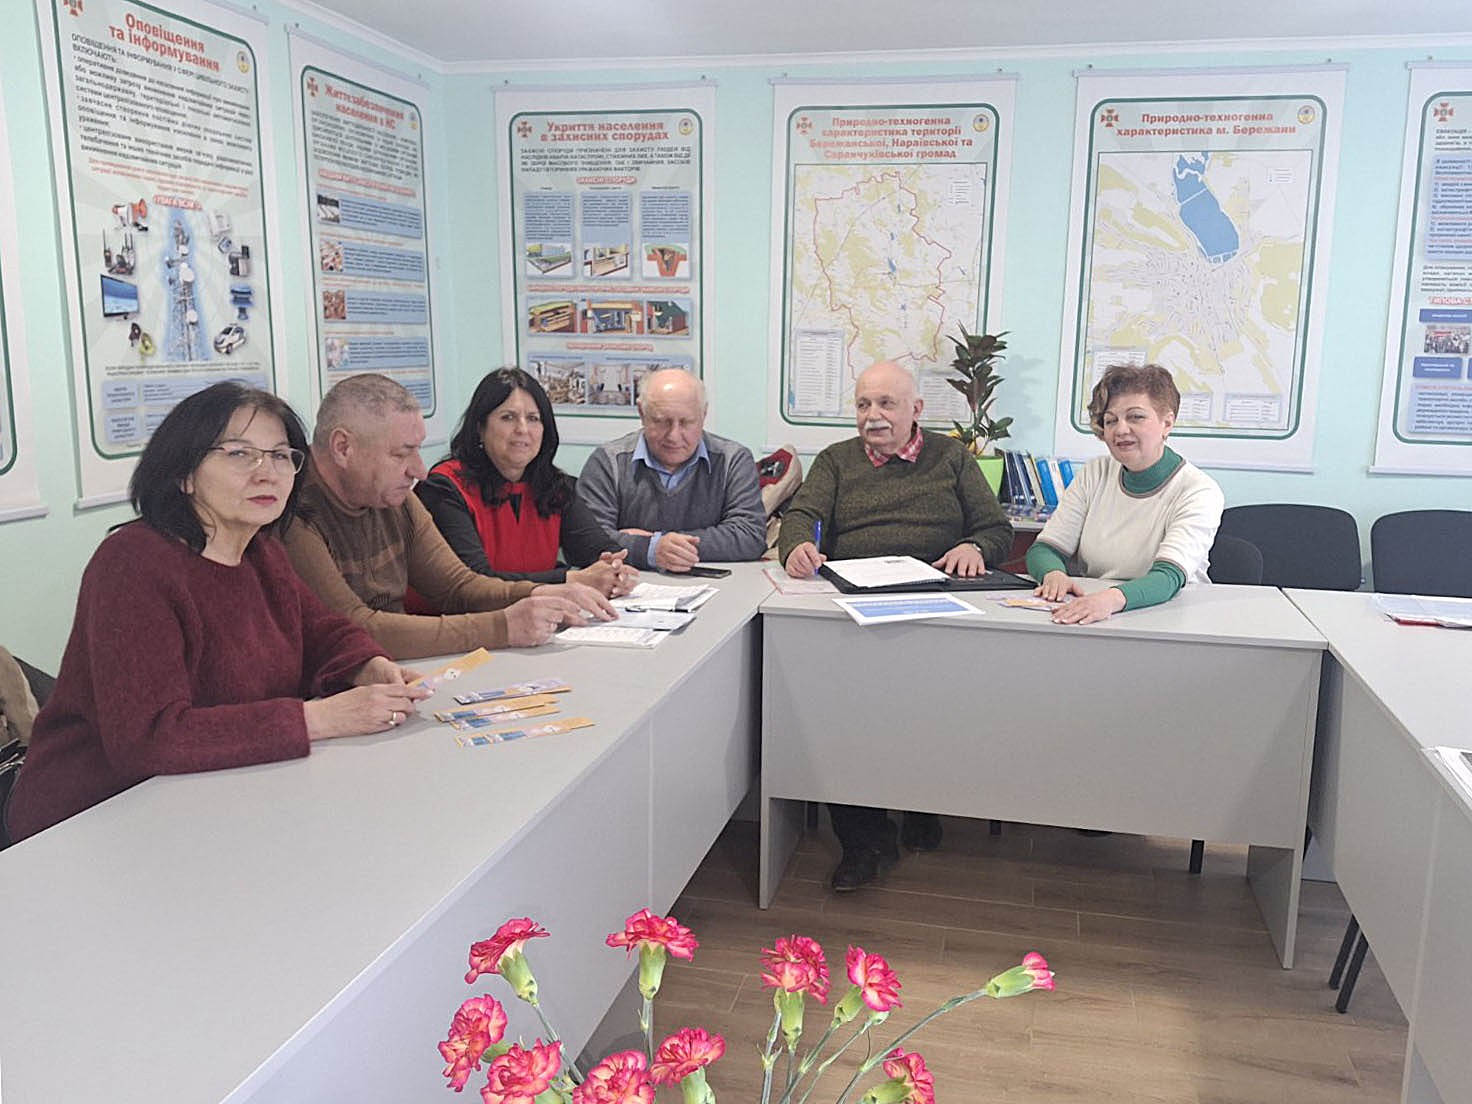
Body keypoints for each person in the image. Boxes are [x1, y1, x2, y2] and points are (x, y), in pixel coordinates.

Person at [3, 383, 429, 843]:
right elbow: (149, 737)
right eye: (240, 454)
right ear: (184, 474)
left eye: (280, 455)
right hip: (95, 818)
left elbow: (321, 633)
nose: (267, 474)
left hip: (214, 795)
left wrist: (367, 665)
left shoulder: (261, 552)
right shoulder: (132, 564)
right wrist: (320, 718)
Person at [776, 360, 1014, 892]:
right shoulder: (836, 460)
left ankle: (921, 804)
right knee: (843, 718)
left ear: (916, 410)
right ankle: (865, 841)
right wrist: (797, 545)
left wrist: (974, 546)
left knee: (931, 711)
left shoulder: (952, 457)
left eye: (886, 404)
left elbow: (996, 528)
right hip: (857, 609)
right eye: (864, 404)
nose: (873, 416)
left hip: (936, 610)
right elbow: (800, 516)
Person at [282, 374, 614, 660]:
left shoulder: (395, 499)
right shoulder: (294, 513)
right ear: (343, 448)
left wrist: (539, 593)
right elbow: (356, 628)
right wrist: (503, 626)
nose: (419, 470)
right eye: (402, 453)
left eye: (418, 450)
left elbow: (457, 585)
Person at [1026, 363, 1224, 625]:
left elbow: (1168, 577)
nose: (1120, 430)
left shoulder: (1199, 490)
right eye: (1110, 420)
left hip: (1172, 618)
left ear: (1167, 423)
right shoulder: (1095, 473)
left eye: (1135, 417)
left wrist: (1109, 600)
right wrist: (1052, 574)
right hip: (1095, 615)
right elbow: (1044, 549)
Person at [416, 368, 636, 595]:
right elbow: (474, 582)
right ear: (480, 428)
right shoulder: (444, 489)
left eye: (533, 419)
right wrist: (569, 579)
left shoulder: (556, 487)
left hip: (538, 613)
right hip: (461, 616)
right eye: (508, 417)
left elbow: (595, 547)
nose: (522, 429)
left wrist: (613, 568)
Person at [576, 368, 765, 572]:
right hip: (631, 586)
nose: (674, 436)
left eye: (686, 422)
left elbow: (749, 536)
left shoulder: (733, 460)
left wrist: (656, 543)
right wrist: (652, 550)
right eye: (661, 421)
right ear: (641, 412)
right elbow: (584, 542)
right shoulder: (608, 462)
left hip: (717, 586)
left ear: (704, 414)